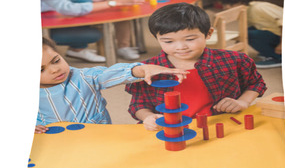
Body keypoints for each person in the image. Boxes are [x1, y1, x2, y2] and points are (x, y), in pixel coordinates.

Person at [125, 3, 266, 131]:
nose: (181, 47)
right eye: (168, 41)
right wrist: (147, 117)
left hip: (218, 125)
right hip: (169, 130)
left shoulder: (234, 60)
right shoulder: (145, 69)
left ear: (209, 34)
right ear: (156, 38)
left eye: (190, 39)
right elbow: (138, 104)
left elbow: (256, 83)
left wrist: (243, 102)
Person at [35, 37, 189, 134]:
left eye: (56, 60)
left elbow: (112, 73)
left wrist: (141, 70)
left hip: (98, 136)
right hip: (54, 141)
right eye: (41, 70)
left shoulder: (84, 77)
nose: (55, 69)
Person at [210, 0, 283, 68]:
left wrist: (281, 44)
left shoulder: (259, 8)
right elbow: (243, 33)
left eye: (226, 5)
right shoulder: (246, 11)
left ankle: (278, 58)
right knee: (247, 31)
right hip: (276, 33)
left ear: (239, 2)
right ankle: (269, 51)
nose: (224, 8)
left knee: (250, 35)